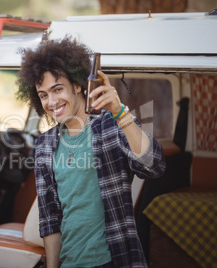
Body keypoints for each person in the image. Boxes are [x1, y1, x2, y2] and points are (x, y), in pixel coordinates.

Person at [16, 38, 166, 268]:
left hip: (113, 260)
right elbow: (50, 218)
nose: (52, 101)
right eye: (43, 94)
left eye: (57, 89)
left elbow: (154, 166)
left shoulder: (110, 126)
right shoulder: (45, 145)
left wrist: (120, 113)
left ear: (77, 84)